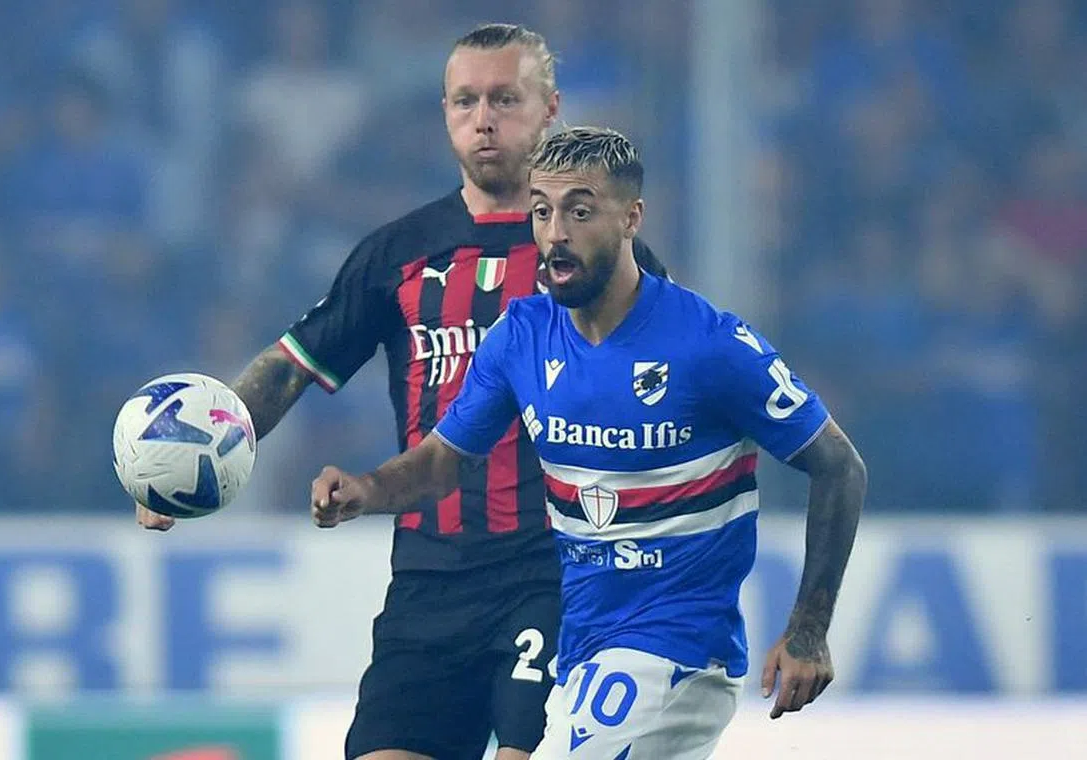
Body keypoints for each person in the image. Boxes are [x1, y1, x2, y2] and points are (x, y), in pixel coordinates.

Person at [135, 25, 668, 760]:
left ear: (550, 109)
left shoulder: (602, 253)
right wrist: (186, 458)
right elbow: (293, 367)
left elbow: (674, 392)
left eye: (505, 99)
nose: (484, 118)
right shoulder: (399, 253)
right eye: (465, 101)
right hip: (427, 584)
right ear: (444, 113)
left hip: (558, 571)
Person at [310, 127, 867, 758]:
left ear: (632, 218)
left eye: (580, 210)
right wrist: (366, 488)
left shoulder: (709, 344)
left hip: (675, 653)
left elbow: (839, 467)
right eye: (542, 211)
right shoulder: (521, 335)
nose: (555, 233)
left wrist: (810, 629)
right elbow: (443, 460)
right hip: (578, 651)